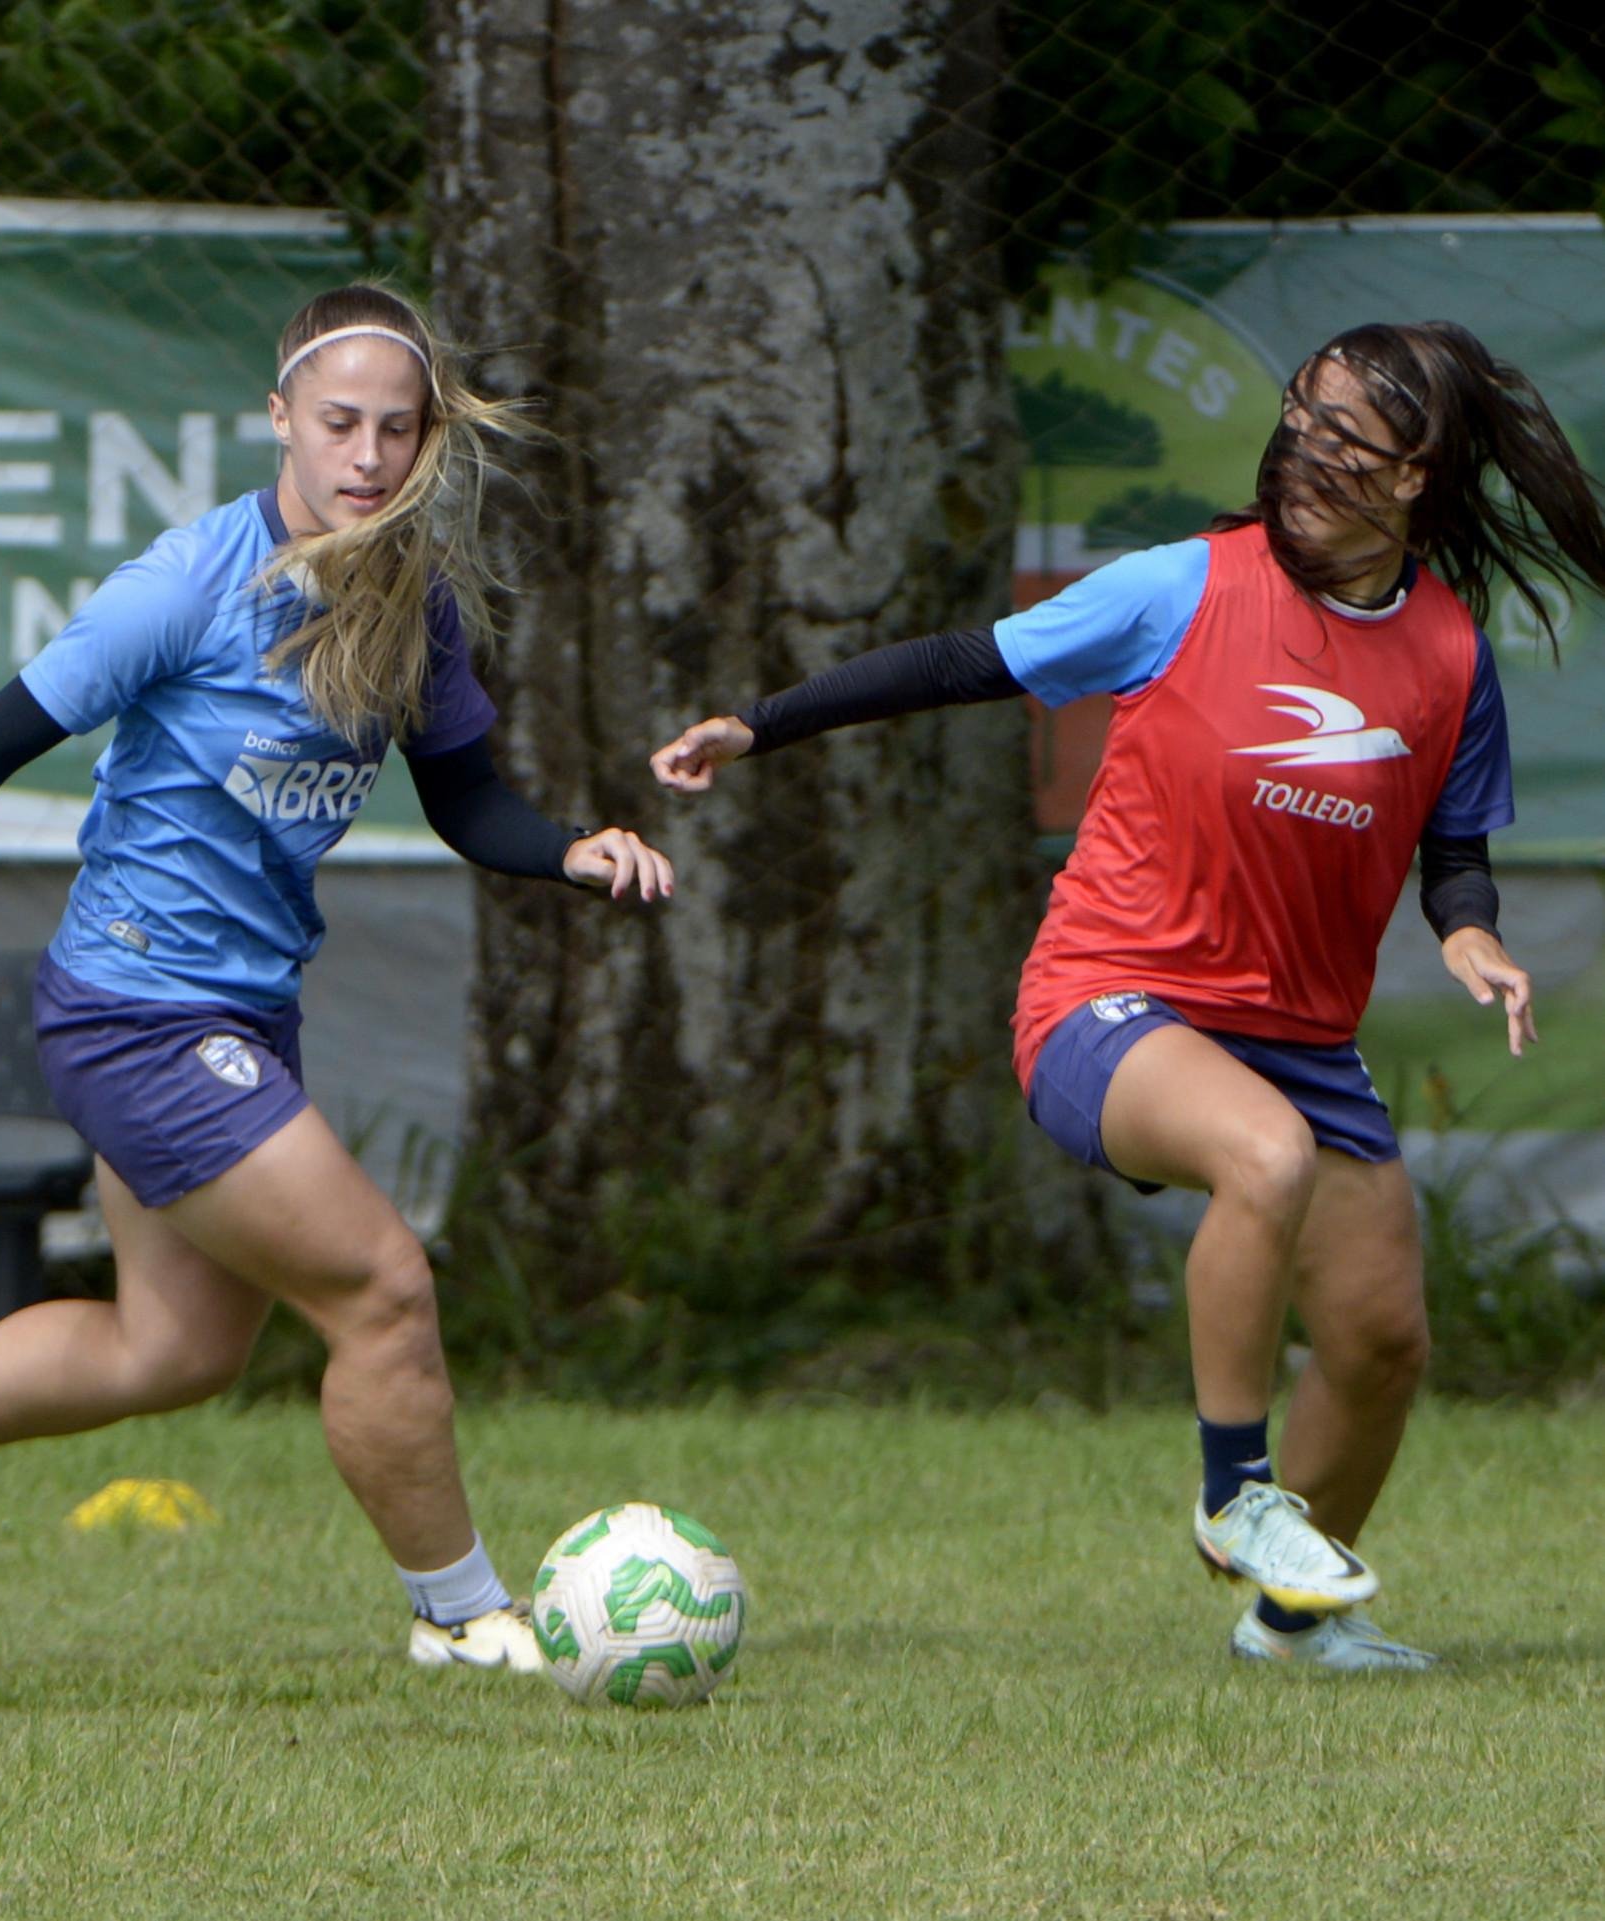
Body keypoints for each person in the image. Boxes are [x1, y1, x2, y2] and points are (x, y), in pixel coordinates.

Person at [649, 321, 1605, 1671]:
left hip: (1299, 1038)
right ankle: (1232, 1493)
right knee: (1256, 1156)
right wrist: (760, 721)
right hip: (1107, 1000)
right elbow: (959, 662)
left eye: (1347, 436)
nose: (1303, 448)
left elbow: (1452, 845)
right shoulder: (1178, 588)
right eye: (1300, 414)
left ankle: (1288, 1625)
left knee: (1380, 1340)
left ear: (1413, 480)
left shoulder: (1445, 652)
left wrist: (1470, 933)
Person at [0, 284, 673, 1672]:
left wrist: (569, 851)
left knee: (168, 1351)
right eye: (338, 424)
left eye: (396, 430)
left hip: (238, 1010)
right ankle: (458, 1613)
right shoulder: (188, 582)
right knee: (379, 1285)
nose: (366, 456)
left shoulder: (408, 604)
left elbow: (465, 801)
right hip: (136, 1010)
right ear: (279, 423)